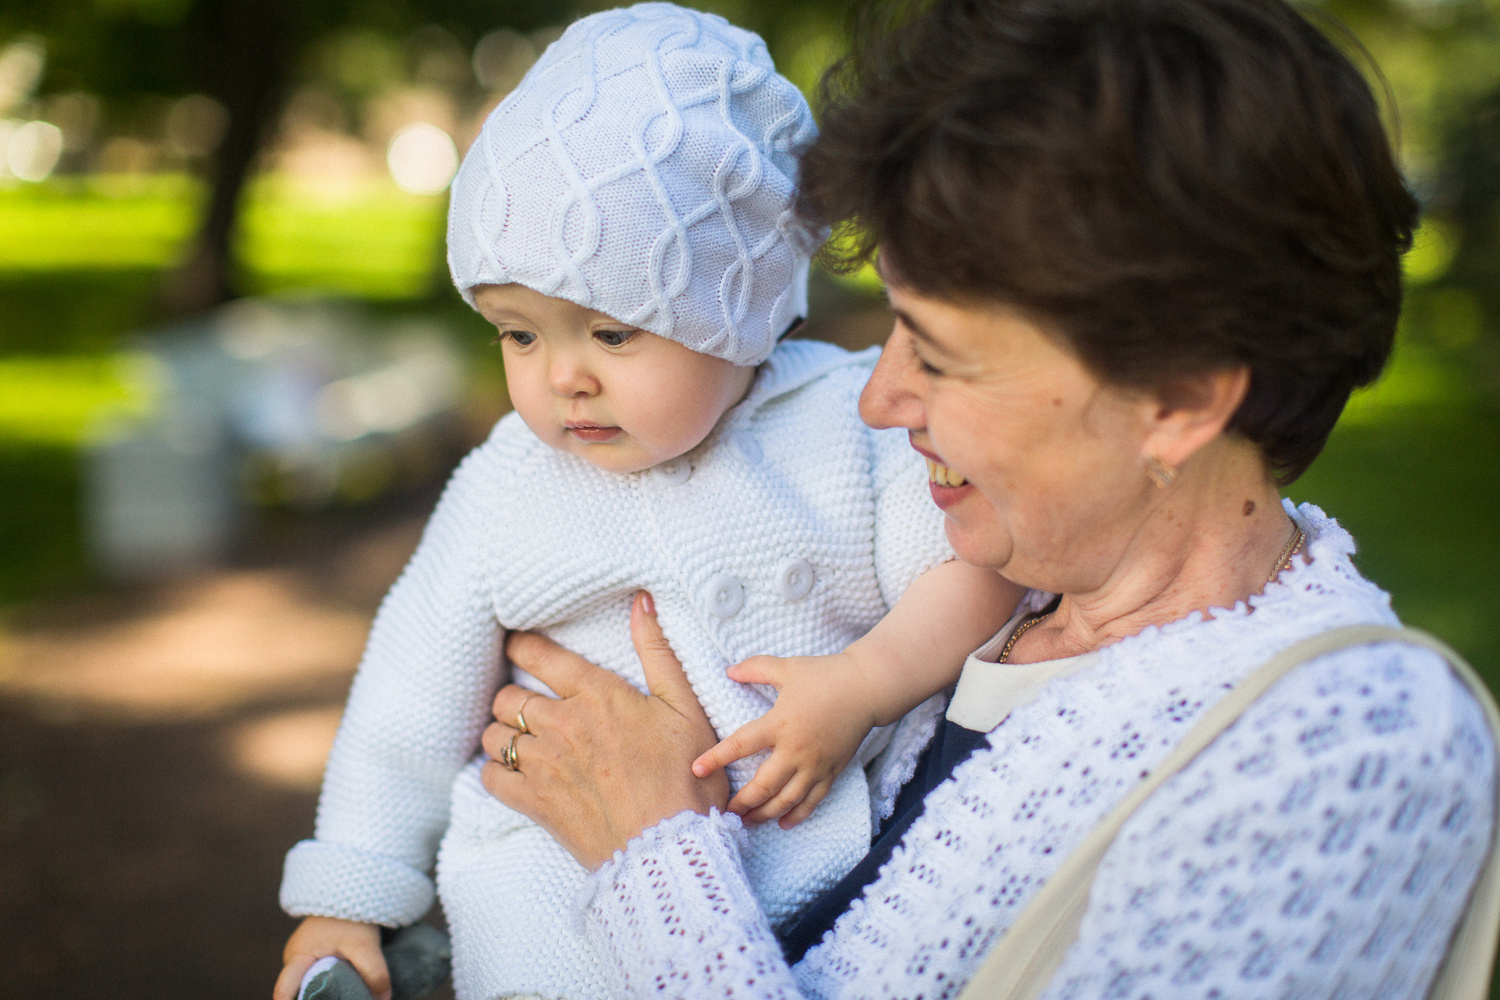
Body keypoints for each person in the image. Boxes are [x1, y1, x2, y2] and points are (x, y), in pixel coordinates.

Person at [471, 0, 1499, 996]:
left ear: (1178, 399)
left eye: (945, 356)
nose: (878, 398)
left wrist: (654, 855)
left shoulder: (1346, 751)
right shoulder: (974, 592)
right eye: (892, 323)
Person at [272, 6, 1021, 1000]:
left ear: (737, 302)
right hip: (547, 886)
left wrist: (865, 682)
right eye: (519, 334)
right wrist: (349, 892)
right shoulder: (507, 484)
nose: (562, 379)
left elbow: (971, 568)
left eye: (611, 334)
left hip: (820, 871)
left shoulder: (848, 423)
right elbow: (409, 694)